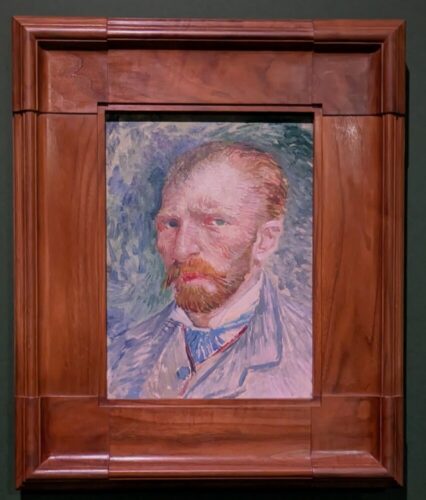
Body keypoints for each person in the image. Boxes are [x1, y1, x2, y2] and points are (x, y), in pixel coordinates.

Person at [108, 141, 312, 399]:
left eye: (215, 222)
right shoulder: (120, 354)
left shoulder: (311, 353)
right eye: (171, 224)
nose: (182, 250)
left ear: (265, 240)